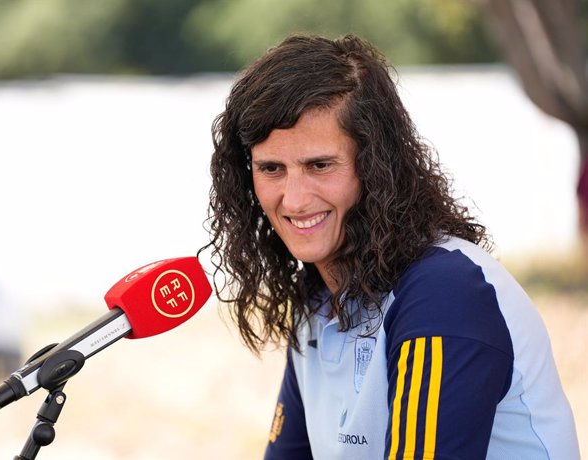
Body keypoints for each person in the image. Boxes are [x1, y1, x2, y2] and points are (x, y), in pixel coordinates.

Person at [201, 33, 580, 459]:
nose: (294, 198)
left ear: (375, 166)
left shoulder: (444, 294)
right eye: (271, 168)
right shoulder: (318, 304)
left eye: (320, 165)